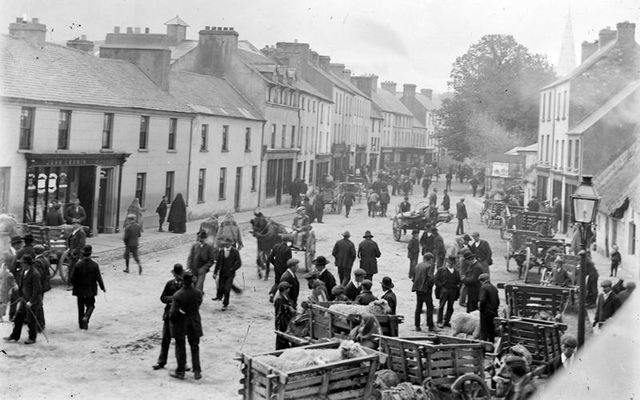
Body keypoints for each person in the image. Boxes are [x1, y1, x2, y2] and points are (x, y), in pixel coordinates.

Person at [169, 270, 203, 380]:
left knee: (180, 347)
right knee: (195, 347)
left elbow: (173, 313)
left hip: (181, 324)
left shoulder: (177, 295)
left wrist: (176, 317)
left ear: (183, 282)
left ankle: (181, 371)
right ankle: (197, 371)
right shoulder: (198, 293)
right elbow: (198, 304)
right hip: (194, 322)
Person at [4, 255, 42, 344]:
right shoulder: (23, 271)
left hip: (32, 301)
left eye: (22, 263)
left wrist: (31, 302)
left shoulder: (35, 274)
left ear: (27, 264)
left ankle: (32, 338)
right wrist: (20, 295)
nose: (20, 264)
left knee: (31, 320)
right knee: (18, 317)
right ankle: (15, 336)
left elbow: (37, 290)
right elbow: (21, 285)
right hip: (24, 299)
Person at [153, 264, 184, 371]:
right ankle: (161, 362)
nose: (178, 277)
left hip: (179, 316)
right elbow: (162, 298)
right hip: (168, 315)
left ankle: (182, 364)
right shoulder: (169, 284)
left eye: (179, 275)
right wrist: (172, 299)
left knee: (180, 342)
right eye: (176, 275)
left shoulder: (186, 285)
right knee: (165, 340)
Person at [69, 245, 105, 330]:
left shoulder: (78, 265)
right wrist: (102, 287)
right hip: (90, 290)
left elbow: (72, 278)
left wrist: (75, 285)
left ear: (82, 254)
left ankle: (81, 325)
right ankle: (86, 317)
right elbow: (98, 278)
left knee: (80, 307)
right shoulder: (95, 265)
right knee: (91, 305)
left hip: (79, 290)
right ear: (90, 254)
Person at [213, 238, 242, 311]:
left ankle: (225, 304)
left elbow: (239, 263)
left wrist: (233, 269)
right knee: (221, 287)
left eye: (228, 243)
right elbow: (218, 262)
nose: (226, 244)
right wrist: (215, 272)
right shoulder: (221, 251)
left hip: (230, 274)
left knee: (227, 289)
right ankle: (219, 296)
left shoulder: (235, 251)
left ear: (231, 243)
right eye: (225, 243)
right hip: (222, 273)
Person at [435, 256, 461, 328]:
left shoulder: (456, 272)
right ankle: (439, 321)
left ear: (454, 263)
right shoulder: (441, 270)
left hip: (453, 291)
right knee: (441, 306)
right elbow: (436, 280)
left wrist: (457, 287)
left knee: (450, 307)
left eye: (452, 263)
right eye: (449, 262)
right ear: (447, 262)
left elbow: (458, 281)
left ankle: (447, 321)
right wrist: (441, 286)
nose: (451, 264)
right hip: (444, 290)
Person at [412, 252, 436, 332]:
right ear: (430, 259)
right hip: (426, 290)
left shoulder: (418, 265)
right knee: (430, 307)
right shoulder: (429, 266)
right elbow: (430, 278)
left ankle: (417, 325)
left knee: (418, 307)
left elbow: (413, 278)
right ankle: (430, 326)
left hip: (418, 289)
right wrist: (431, 285)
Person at [268, 238, 292, 302]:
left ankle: (272, 294)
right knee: (284, 283)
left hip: (277, 267)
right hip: (284, 268)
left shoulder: (276, 246)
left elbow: (270, 257)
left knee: (277, 282)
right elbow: (288, 261)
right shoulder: (288, 249)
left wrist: (275, 264)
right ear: (287, 241)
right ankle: (282, 298)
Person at [274, 281, 296, 350]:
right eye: (288, 288)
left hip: (286, 321)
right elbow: (279, 314)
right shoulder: (279, 299)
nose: (289, 290)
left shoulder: (285, 296)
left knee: (285, 339)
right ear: (285, 289)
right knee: (281, 339)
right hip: (282, 322)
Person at [33, 245, 50, 331]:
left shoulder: (37, 262)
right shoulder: (45, 260)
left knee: (38, 305)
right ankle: (41, 324)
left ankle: (40, 325)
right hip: (43, 286)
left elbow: (39, 276)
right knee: (39, 304)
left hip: (39, 287)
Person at [478, 273, 499, 343]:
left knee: (484, 330)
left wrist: (481, 309)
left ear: (481, 281)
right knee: (491, 330)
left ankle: (483, 345)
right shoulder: (494, 288)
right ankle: (491, 343)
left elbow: (482, 300)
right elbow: (498, 301)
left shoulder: (483, 288)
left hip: (486, 312)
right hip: (494, 312)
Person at [66, 221, 87, 289]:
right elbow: (69, 241)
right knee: (72, 267)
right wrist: (70, 249)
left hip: (78, 253)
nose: (73, 225)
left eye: (75, 224)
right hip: (73, 253)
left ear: (79, 225)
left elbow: (81, 244)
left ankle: (72, 284)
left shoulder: (81, 233)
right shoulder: (74, 232)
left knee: (74, 268)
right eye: (73, 224)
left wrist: (75, 251)